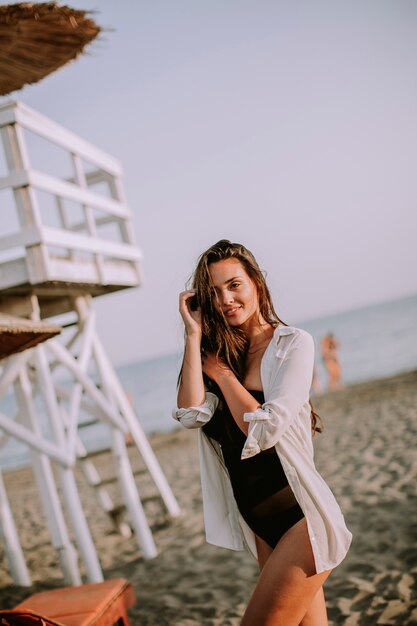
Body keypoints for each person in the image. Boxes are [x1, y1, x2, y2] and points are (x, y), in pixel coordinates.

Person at [173, 240, 351, 626]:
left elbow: (266, 427)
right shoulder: (219, 350)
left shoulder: (292, 345)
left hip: (300, 520)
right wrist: (192, 335)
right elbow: (189, 413)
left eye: (234, 285)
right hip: (262, 527)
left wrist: (221, 374)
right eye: (215, 292)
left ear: (256, 282)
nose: (226, 299)